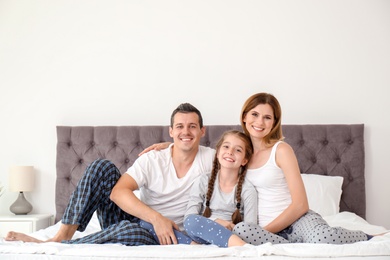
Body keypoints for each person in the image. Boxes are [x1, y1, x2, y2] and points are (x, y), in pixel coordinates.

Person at [140, 93, 373, 245]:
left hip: (293, 221)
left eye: (267, 118)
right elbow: (207, 148)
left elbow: (300, 204)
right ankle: (292, 246)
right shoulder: (240, 152)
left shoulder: (281, 150)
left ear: (274, 122)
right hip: (258, 232)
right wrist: (171, 145)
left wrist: (265, 233)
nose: (259, 122)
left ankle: (368, 236)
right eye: (254, 114)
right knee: (241, 230)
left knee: (324, 238)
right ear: (244, 116)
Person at [5, 103, 215, 246]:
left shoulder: (213, 159)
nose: (185, 132)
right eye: (179, 127)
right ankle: (59, 237)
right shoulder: (153, 159)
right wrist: (157, 218)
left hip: (160, 234)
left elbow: (244, 157)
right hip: (142, 220)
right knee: (101, 167)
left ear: (202, 131)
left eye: (192, 127)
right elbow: (117, 193)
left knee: (129, 232)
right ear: (171, 131)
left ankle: (71, 245)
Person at [140, 130, 259, 247]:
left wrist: (230, 226)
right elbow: (189, 217)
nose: (230, 152)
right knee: (147, 223)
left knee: (244, 230)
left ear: (244, 160)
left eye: (238, 150)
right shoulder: (203, 181)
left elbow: (250, 228)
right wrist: (215, 221)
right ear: (217, 153)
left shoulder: (247, 189)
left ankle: (240, 246)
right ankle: (193, 245)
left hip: (231, 235)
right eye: (226, 147)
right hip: (201, 234)